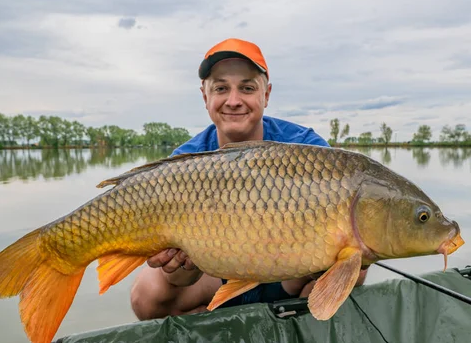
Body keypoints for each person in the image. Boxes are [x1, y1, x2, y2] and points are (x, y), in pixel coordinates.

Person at [130, 38, 368, 320]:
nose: (233, 100)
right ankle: (217, 337)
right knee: (147, 294)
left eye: (247, 88)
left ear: (266, 94)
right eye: (221, 88)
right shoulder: (185, 161)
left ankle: (303, 334)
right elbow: (178, 281)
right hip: (219, 269)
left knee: (359, 261)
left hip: (289, 276)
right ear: (205, 97)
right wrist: (182, 265)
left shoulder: (306, 148)